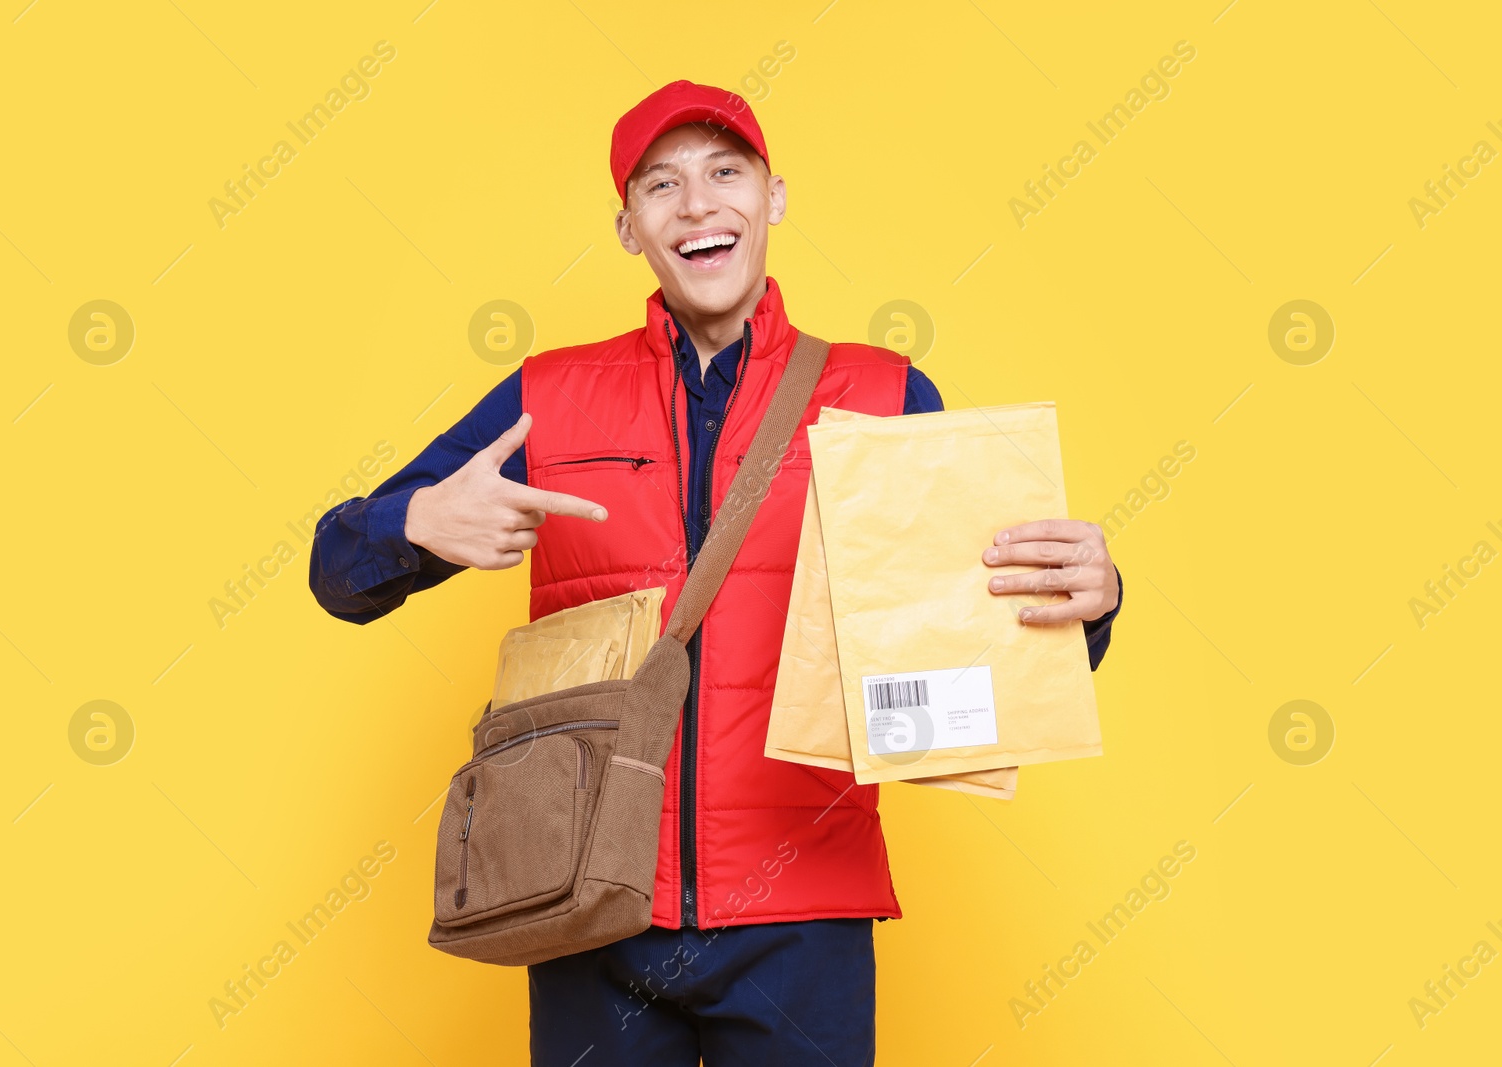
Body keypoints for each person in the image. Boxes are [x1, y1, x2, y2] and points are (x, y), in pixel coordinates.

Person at [310, 79, 1122, 1067]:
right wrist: (414, 521)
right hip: (589, 898)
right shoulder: (546, 396)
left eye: (723, 173)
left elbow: (970, 629)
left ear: (772, 197)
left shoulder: (881, 393)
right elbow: (335, 576)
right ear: (628, 227)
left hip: (804, 915)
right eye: (662, 185)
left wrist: (1090, 604)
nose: (697, 205)